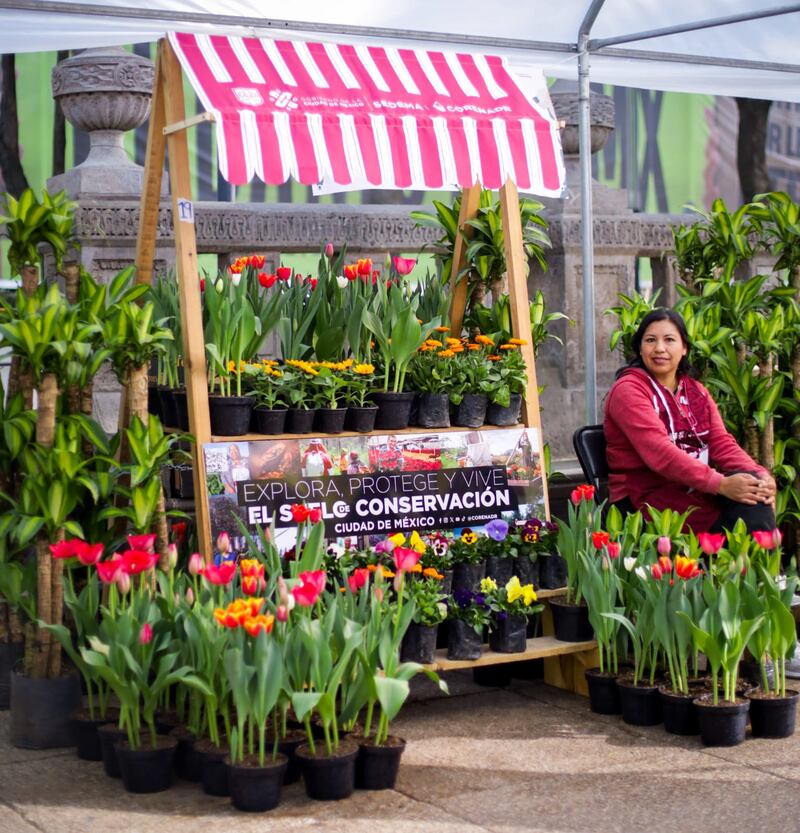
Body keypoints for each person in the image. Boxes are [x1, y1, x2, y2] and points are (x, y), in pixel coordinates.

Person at [604, 308, 776, 533]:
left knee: (754, 493)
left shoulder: (696, 391)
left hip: (692, 490)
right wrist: (721, 484)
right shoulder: (629, 391)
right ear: (639, 348)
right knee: (746, 515)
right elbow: (661, 454)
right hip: (643, 498)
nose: (659, 348)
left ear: (684, 348)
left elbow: (722, 444)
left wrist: (760, 475)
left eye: (669, 340)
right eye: (650, 340)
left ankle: (754, 565)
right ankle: (755, 565)